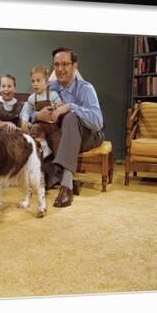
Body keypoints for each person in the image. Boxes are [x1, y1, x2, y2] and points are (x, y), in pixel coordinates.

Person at [41, 47, 105, 208]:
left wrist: (70, 106)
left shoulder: (86, 88)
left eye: (65, 64)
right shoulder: (50, 88)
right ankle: (60, 178)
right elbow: (30, 110)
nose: (60, 69)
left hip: (90, 135)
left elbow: (98, 122)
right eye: (56, 65)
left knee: (70, 117)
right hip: (64, 137)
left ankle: (66, 186)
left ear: (74, 66)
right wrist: (39, 115)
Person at [20, 64, 62, 158]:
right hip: (41, 125)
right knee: (35, 129)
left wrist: (58, 105)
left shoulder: (53, 95)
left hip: (53, 125)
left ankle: (58, 161)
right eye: (33, 81)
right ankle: (44, 147)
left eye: (38, 80)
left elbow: (59, 104)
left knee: (58, 139)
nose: (35, 83)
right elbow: (27, 112)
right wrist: (25, 122)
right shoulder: (31, 98)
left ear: (46, 81)